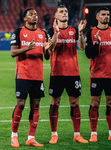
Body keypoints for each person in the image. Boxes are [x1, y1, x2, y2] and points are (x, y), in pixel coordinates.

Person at [10, 7, 58, 148]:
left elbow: (47, 57)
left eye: (35, 14)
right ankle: (14, 136)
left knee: (35, 105)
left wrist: (47, 49)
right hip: (23, 74)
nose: (34, 16)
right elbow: (13, 53)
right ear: (25, 18)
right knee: (20, 104)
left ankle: (31, 138)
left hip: (37, 76)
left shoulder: (43, 33)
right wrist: (27, 48)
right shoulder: (18, 32)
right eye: (31, 14)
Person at [48, 5, 88, 144]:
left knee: (75, 103)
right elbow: (50, 48)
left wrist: (81, 33)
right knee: (55, 103)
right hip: (57, 73)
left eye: (66, 11)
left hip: (73, 73)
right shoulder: (50, 31)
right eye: (61, 12)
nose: (64, 13)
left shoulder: (74, 30)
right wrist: (56, 33)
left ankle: (77, 134)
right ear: (56, 16)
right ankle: (54, 134)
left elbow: (82, 47)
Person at [85, 7, 111, 142]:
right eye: (103, 14)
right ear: (97, 17)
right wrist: (97, 44)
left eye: (108, 14)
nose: (106, 16)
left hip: (110, 75)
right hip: (97, 74)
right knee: (95, 103)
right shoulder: (91, 32)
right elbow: (88, 53)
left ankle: (110, 132)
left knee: (110, 103)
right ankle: (93, 132)